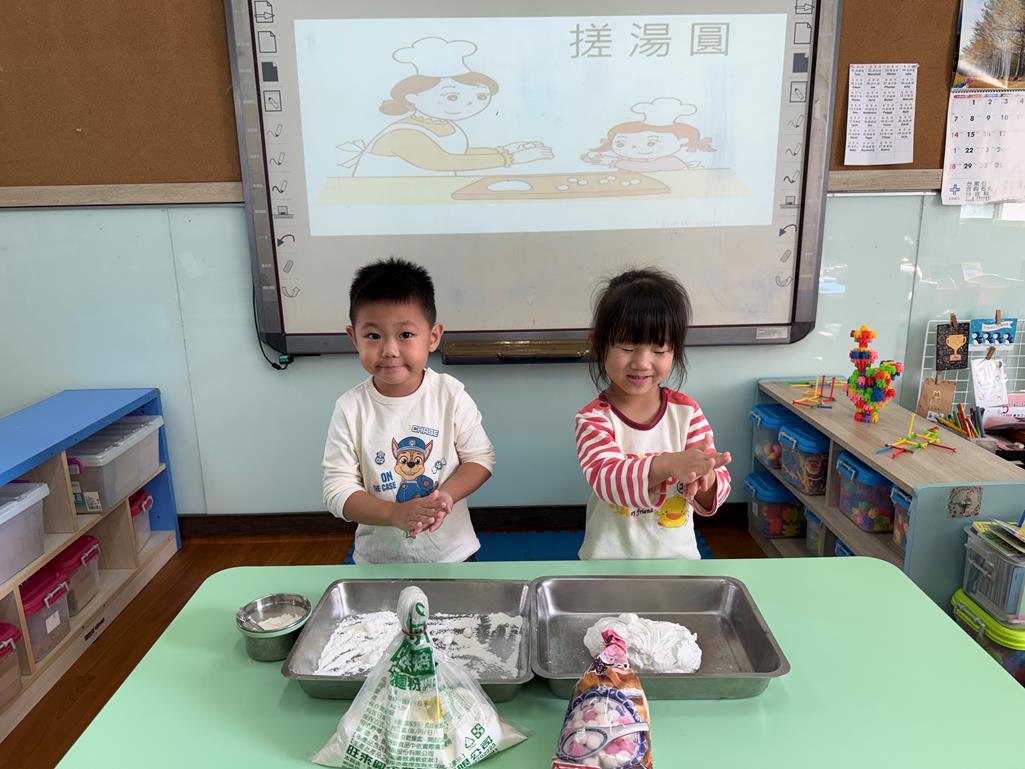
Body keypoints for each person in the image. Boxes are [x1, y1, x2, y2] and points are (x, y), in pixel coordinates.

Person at [322, 258, 495, 563]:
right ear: (354, 338)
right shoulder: (350, 408)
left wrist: (446, 496)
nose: (389, 350)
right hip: (377, 562)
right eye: (373, 336)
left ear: (433, 337)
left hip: (452, 556)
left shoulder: (450, 394)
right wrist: (394, 513)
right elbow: (337, 490)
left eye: (405, 335)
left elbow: (480, 459)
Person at [574, 268, 732, 559]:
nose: (642, 363)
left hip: (678, 562)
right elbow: (607, 480)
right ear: (598, 343)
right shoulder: (593, 419)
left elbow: (712, 492)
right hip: (609, 564)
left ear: (675, 350)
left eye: (659, 350)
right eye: (627, 347)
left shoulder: (686, 412)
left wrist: (706, 479)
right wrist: (670, 464)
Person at [343, 37, 553, 176]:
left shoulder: (442, 123)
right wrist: (509, 158)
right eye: (452, 97)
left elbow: (459, 153)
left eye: (481, 96)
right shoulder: (403, 134)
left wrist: (503, 150)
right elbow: (442, 161)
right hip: (379, 196)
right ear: (413, 97)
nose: (469, 104)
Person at [581, 97, 715, 172]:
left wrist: (613, 162)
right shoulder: (629, 160)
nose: (635, 148)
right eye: (621, 144)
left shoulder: (671, 161)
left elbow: (647, 168)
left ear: (682, 140)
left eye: (651, 143)